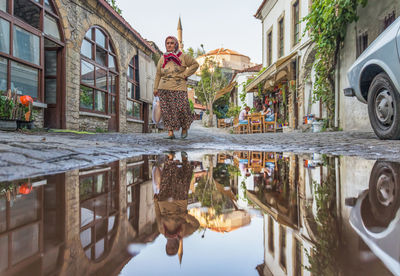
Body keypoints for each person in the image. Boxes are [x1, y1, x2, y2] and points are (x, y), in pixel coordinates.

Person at [153, 152, 199, 263]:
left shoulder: (162, 231)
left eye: (169, 248)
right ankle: (184, 159)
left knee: (167, 179)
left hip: (164, 201)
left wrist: (155, 201)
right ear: (177, 246)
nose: (171, 246)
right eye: (173, 249)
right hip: (179, 203)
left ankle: (170, 158)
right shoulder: (184, 233)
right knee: (183, 180)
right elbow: (196, 225)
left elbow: (158, 216)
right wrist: (184, 215)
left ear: (166, 246)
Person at [153, 36, 199, 139]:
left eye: (172, 43)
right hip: (164, 88)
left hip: (179, 87)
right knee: (167, 111)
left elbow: (195, 65)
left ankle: (184, 128)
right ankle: (170, 133)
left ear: (176, 44)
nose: (169, 45)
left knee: (182, 108)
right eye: (167, 43)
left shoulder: (183, 57)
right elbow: (158, 74)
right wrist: (155, 88)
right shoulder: (162, 58)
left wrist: (184, 74)